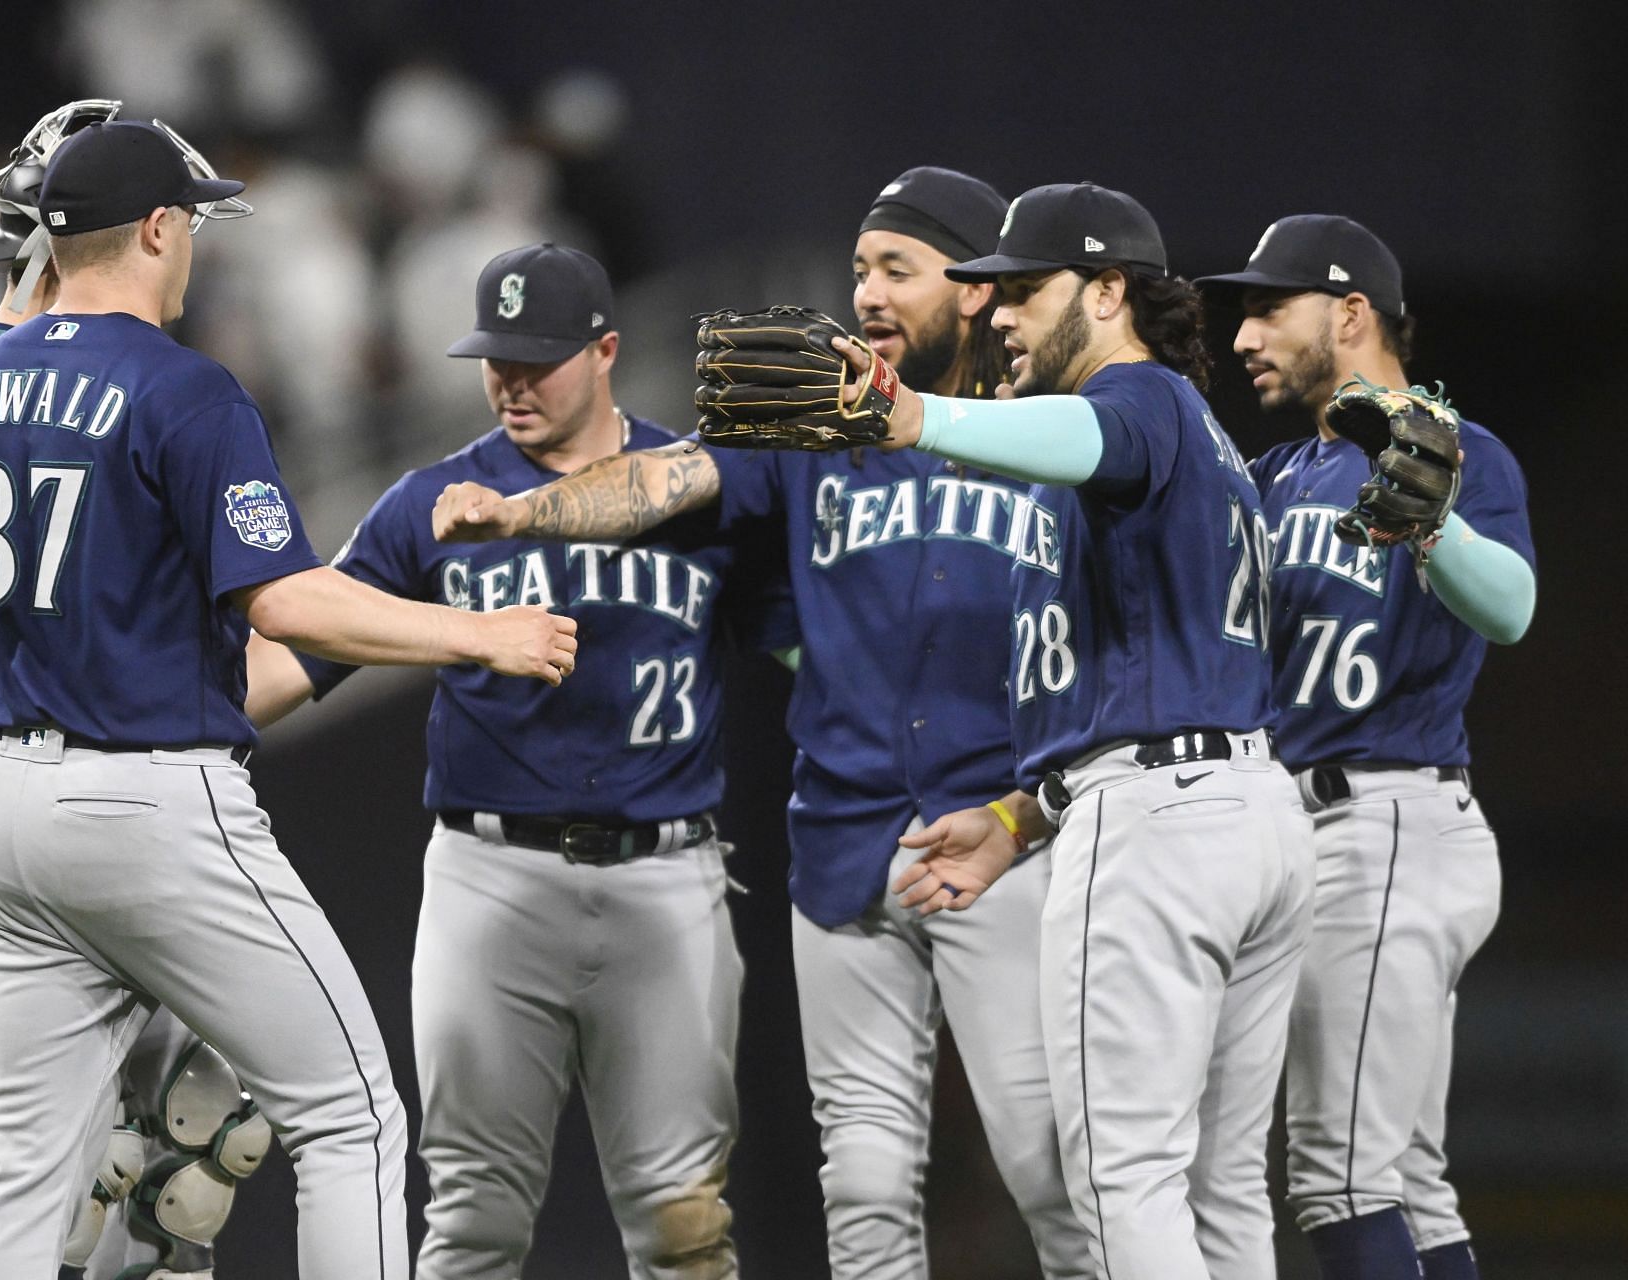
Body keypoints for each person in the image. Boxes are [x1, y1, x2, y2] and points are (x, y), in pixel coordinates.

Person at [0, 118, 577, 1278]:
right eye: (188, 221)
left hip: (11, 798)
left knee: (27, 1162)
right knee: (351, 1114)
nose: (192, 243)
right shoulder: (187, 390)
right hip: (150, 800)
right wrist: (475, 633)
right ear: (157, 227)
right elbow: (288, 604)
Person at [430, 172, 1090, 1278]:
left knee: (1053, 1173)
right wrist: (525, 509)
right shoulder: (806, 424)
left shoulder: (1058, 437)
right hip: (846, 838)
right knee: (868, 1186)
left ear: (977, 292)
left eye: (897, 269)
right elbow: (662, 481)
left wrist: (1034, 813)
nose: (866, 292)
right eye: (859, 269)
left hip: (1009, 836)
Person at [247, 242, 788, 1279]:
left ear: (608, 350)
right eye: (497, 356)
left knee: (686, 1226)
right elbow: (290, 664)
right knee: (474, 1221)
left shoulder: (695, 488)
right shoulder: (431, 504)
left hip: (667, 873)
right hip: (491, 878)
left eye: (539, 358)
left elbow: (807, 635)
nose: (511, 380)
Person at [835, 181, 1314, 1280]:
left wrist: (918, 417)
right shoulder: (1197, 442)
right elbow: (1150, 670)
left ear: (1108, 291)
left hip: (1158, 827)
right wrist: (1020, 813)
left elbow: (1087, 431)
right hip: (1244, 811)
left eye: (1024, 291)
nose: (995, 314)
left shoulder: (1139, 401)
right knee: (1224, 1191)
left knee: (1120, 1174)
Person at [1197, 216, 1535, 1280]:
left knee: (1339, 1181)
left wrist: (1435, 526)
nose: (1243, 334)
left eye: (1267, 307)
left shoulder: (1457, 452)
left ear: (1350, 312)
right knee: (1404, 1177)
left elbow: (1514, 608)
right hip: (1315, 829)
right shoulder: (1278, 473)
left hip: (1386, 817)